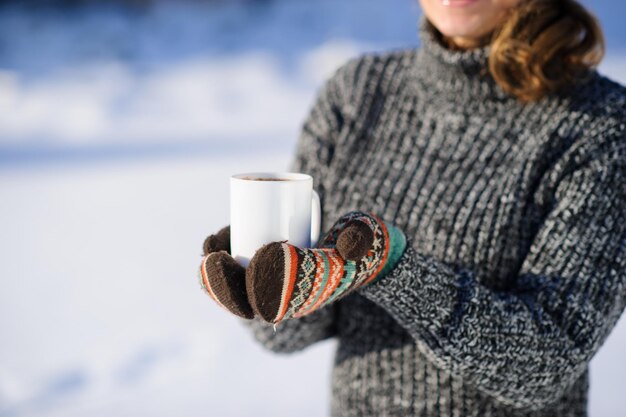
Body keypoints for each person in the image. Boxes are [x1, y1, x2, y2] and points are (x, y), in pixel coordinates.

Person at [199, 0, 626, 415]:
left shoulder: (601, 127)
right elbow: (296, 333)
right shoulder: (357, 94)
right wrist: (262, 294)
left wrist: (393, 271)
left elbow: (547, 364)